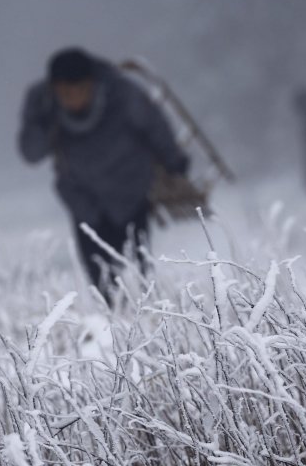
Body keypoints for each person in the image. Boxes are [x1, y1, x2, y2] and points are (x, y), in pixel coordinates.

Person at [17, 46, 190, 304]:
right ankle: (114, 326)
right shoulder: (43, 104)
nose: (72, 98)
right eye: (64, 93)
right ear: (54, 90)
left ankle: (151, 319)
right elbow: (31, 154)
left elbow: (156, 127)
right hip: (84, 201)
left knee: (139, 271)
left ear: (92, 83)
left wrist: (174, 162)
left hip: (131, 192)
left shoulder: (123, 94)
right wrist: (41, 121)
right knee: (101, 280)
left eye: (78, 90)